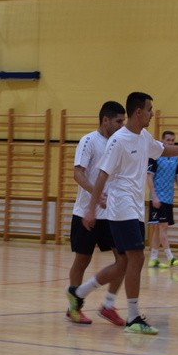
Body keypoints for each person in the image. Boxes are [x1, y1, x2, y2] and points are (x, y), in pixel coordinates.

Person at [69, 92, 178, 335]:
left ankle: (80, 293)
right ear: (138, 112)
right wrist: (90, 209)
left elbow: (162, 150)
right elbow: (102, 175)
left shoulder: (144, 137)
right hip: (120, 206)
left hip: (134, 207)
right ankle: (133, 317)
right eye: (149, 109)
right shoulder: (118, 140)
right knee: (136, 259)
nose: (152, 113)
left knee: (125, 261)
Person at [65, 101, 127, 325]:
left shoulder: (119, 143)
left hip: (112, 214)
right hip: (87, 212)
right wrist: (95, 194)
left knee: (124, 259)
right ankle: (74, 307)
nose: (122, 126)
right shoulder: (89, 141)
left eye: (124, 121)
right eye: (118, 121)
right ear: (105, 120)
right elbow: (78, 174)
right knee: (82, 260)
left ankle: (108, 305)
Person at [146, 130, 178, 269]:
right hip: (158, 198)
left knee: (158, 228)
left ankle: (153, 259)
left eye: (172, 140)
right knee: (163, 227)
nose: (170, 143)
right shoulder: (155, 156)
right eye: (168, 140)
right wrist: (154, 196)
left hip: (168, 198)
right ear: (162, 141)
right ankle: (170, 257)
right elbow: (149, 177)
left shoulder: (175, 158)